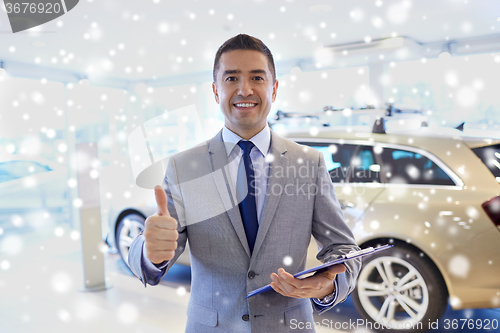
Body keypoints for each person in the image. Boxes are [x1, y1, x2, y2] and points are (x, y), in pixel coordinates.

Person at [128, 34, 361, 333]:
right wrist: (150, 251)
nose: (245, 89)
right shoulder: (184, 167)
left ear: (274, 88)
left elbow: (344, 249)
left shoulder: (309, 163)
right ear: (215, 91)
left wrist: (325, 287)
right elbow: (154, 252)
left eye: (257, 78)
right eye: (231, 78)